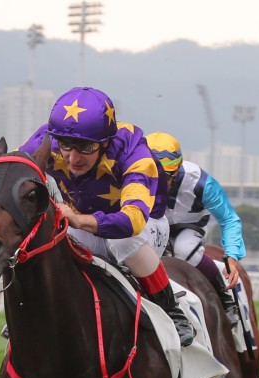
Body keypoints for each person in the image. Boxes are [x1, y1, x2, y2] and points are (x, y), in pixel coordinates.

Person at [15, 87, 195, 346]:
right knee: (48, 231)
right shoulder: (48, 138)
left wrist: (79, 220)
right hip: (87, 224)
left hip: (144, 227)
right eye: (66, 146)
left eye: (85, 147)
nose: (73, 158)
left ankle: (171, 308)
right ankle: (34, 307)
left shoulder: (133, 150)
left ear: (106, 142)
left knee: (121, 241)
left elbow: (132, 221)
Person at [145, 131, 244, 325]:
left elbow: (229, 219)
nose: (157, 183)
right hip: (152, 222)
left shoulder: (201, 182)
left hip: (188, 225)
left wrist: (231, 256)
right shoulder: (131, 176)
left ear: (176, 169)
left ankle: (225, 299)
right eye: (150, 175)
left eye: (163, 177)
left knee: (183, 248)